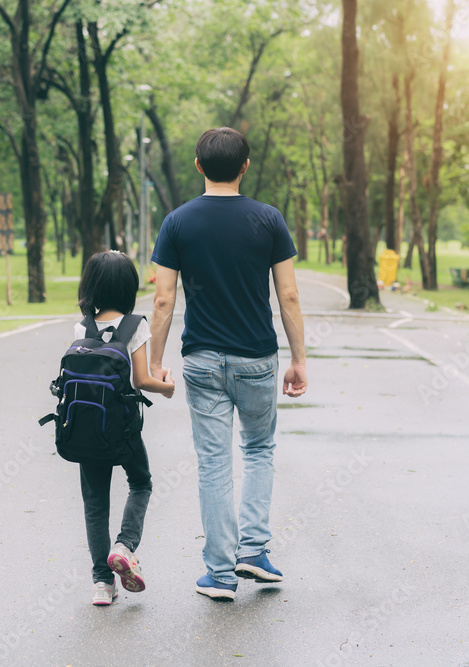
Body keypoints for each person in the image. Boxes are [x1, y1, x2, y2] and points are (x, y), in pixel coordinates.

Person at [148, 127, 308, 601]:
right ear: (245, 166)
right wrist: (298, 359)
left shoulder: (176, 222)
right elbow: (289, 295)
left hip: (200, 359)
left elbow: (162, 300)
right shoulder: (269, 220)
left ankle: (219, 573)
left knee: (214, 461)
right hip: (257, 357)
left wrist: (155, 363)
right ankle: (254, 552)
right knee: (259, 450)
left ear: (198, 165)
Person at [73, 250, 176, 606]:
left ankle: (102, 584)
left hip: (87, 428)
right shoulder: (135, 325)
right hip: (123, 429)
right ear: (129, 287)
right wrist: (168, 387)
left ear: (91, 285)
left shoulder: (82, 326)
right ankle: (124, 546)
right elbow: (143, 380)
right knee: (141, 482)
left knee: (95, 503)